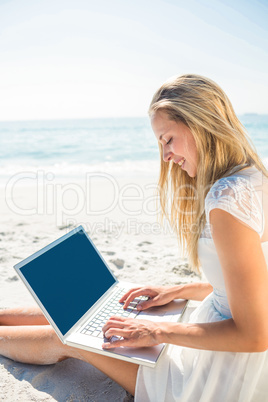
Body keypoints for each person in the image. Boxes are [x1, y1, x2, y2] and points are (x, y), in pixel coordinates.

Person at [1, 74, 268, 401]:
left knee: (71, 337)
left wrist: (156, 331)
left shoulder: (226, 200)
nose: (166, 155)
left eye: (168, 139)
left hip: (215, 378)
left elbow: (255, 334)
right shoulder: (253, 177)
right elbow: (250, 286)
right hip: (216, 345)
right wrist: (179, 290)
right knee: (91, 310)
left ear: (201, 123)